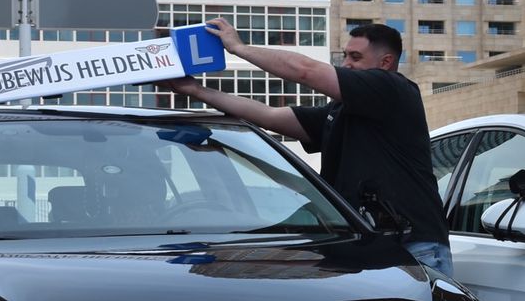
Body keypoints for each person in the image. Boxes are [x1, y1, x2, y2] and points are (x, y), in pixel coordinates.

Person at [159, 18, 455, 276]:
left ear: (385, 62)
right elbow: (269, 116)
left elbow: (305, 70)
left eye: (355, 57)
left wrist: (238, 47)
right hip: (364, 248)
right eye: (344, 56)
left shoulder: (393, 90)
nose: (346, 64)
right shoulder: (339, 111)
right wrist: (195, 90)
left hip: (414, 249)